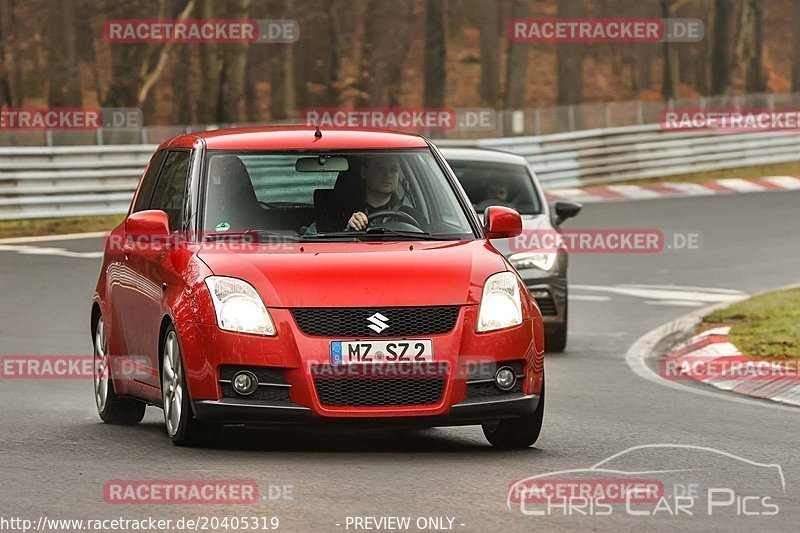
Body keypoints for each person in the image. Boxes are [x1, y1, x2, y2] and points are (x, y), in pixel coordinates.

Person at [345, 155, 425, 231]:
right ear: (364, 172)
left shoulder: (412, 217)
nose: (388, 174)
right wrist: (348, 231)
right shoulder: (343, 213)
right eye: (380, 168)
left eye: (393, 169)